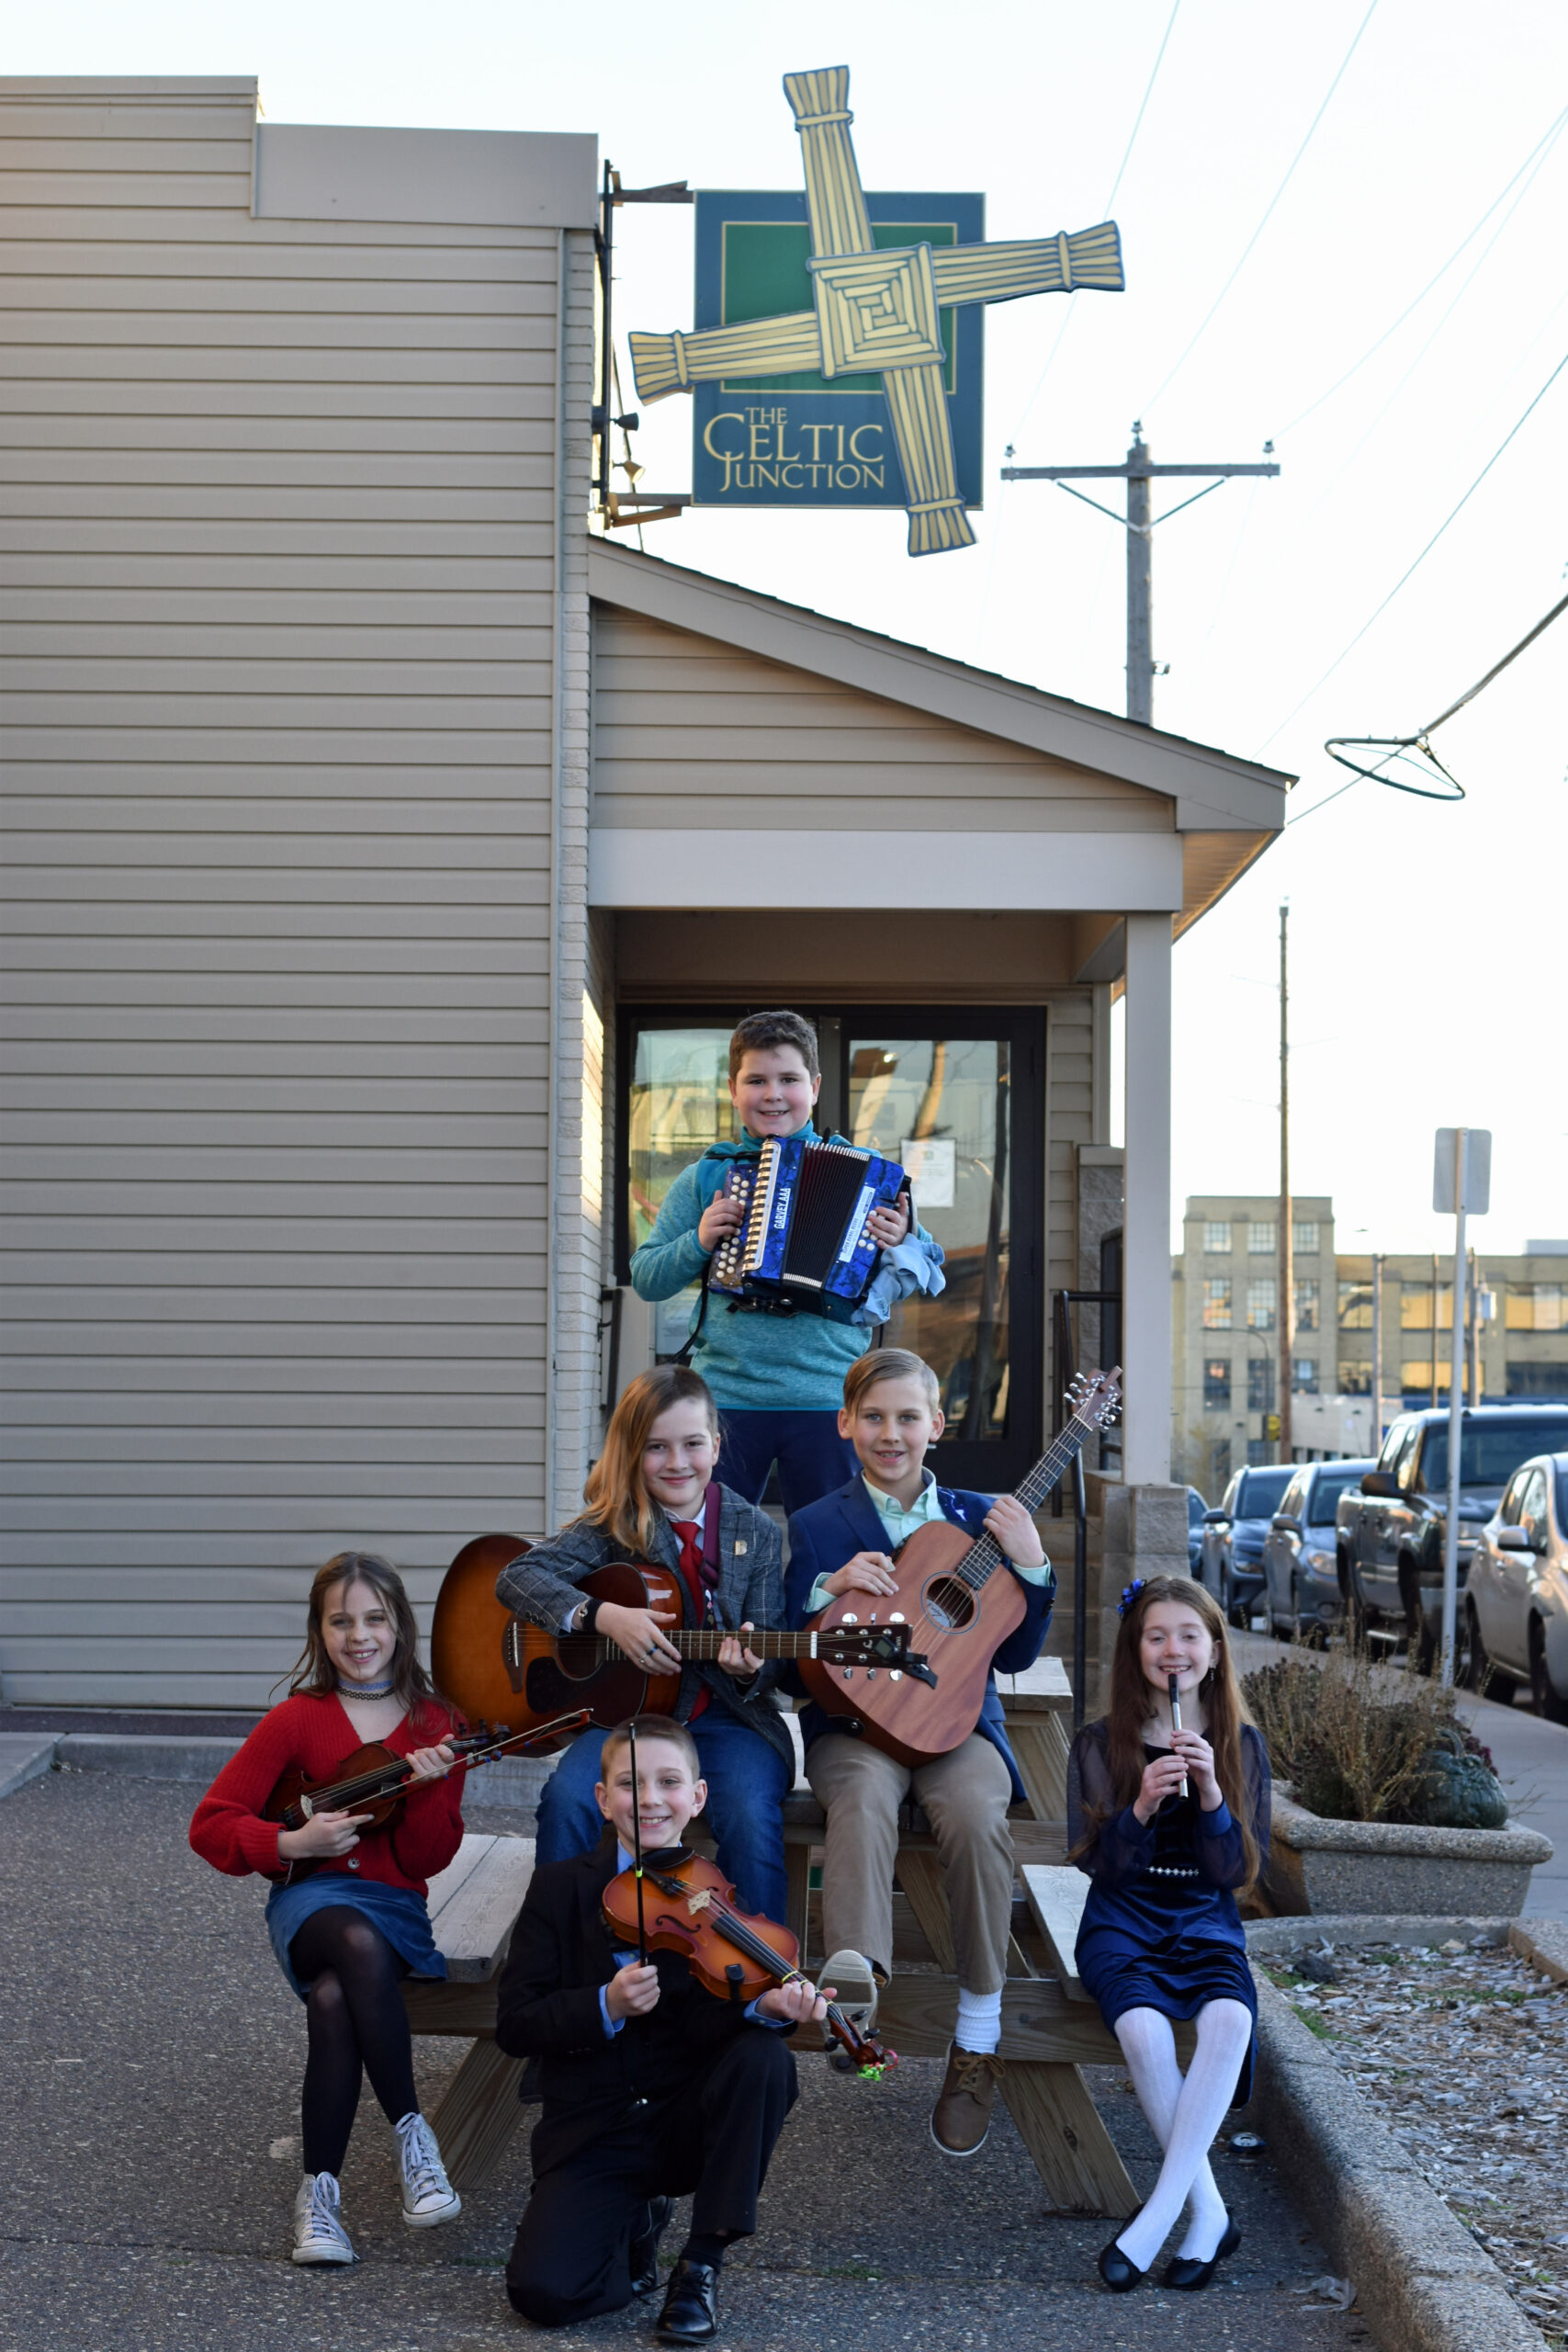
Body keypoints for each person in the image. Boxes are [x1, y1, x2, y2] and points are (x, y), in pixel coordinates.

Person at [784, 1346, 1055, 2156]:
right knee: (861, 1798)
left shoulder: (981, 1520)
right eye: (873, 1417)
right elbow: (780, 1654)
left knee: (977, 1813)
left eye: (907, 1417)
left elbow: (1008, 1653)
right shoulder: (817, 1524)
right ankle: (853, 1986)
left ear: (937, 1425)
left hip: (958, 1732)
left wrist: (1033, 1564)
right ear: (845, 1424)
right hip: (856, 1731)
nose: (890, 1433)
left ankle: (977, 2032)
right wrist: (822, 1593)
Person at [497, 1715, 828, 2341]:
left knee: (763, 2058)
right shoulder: (558, 1889)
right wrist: (603, 2005)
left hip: (683, 2118)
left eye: (668, 1782)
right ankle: (636, 2227)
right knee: (543, 2294)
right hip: (592, 2130)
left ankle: (701, 2262)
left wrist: (765, 2007)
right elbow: (515, 2024)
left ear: (697, 1797)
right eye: (629, 1783)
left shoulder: (712, 1896)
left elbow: (712, 2021)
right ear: (602, 1799)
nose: (649, 1799)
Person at [189, 1551, 466, 2266]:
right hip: (309, 1902)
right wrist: (291, 1839)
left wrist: (432, 1784)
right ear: (320, 1630)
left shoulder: (435, 1720)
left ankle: (319, 2197)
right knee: (350, 1944)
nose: (359, 1635)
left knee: (338, 1997)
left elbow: (424, 1862)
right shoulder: (296, 1720)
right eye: (340, 1620)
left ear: (401, 1627)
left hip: (393, 1904)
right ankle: (412, 2135)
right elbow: (211, 1823)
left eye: (375, 1618)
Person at [498, 1364, 795, 1924]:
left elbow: (770, 1664)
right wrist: (602, 1616)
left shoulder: (755, 1531)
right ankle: (561, 1958)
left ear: (717, 1444)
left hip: (729, 1718)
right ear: (634, 1453)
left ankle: (762, 1985)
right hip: (626, 1720)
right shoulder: (614, 1523)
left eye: (692, 1444)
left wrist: (748, 1669)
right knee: (566, 1800)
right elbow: (516, 1577)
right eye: (657, 1447)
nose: (677, 1463)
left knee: (751, 1815)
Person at [628, 1008, 944, 1517]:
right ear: (733, 1089)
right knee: (711, 1547)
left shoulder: (869, 1176)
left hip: (830, 1400)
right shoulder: (705, 1177)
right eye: (756, 1080)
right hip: (725, 1401)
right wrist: (700, 1240)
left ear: (814, 1087)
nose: (773, 1093)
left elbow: (929, 1267)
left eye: (789, 1079)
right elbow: (646, 1278)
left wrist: (900, 1238)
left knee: (830, 1552)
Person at [1066, 1573, 1270, 2294]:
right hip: (1122, 1923)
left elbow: (1235, 1873)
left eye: (1188, 1636)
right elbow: (1099, 1868)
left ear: (1213, 1652)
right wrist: (1141, 1810)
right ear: (1135, 1649)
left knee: (1230, 2016)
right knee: (1145, 2032)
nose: (1172, 1649)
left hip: (1204, 1923)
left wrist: (1212, 1793)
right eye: (1156, 1636)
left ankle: (1158, 2216)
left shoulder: (1240, 1744)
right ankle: (1205, 2214)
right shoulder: (1098, 1744)